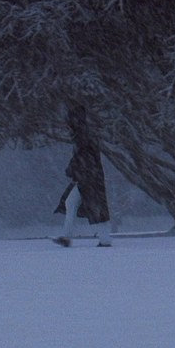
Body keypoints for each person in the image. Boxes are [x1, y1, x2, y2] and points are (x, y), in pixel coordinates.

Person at [53, 104, 112, 248]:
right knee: (74, 203)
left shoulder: (82, 135)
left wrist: (73, 169)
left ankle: (103, 240)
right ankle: (67, 237)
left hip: (88, 177)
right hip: (88, 176)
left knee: (95, 207)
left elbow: (82, 156)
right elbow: (83, 156)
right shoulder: (84, 133)